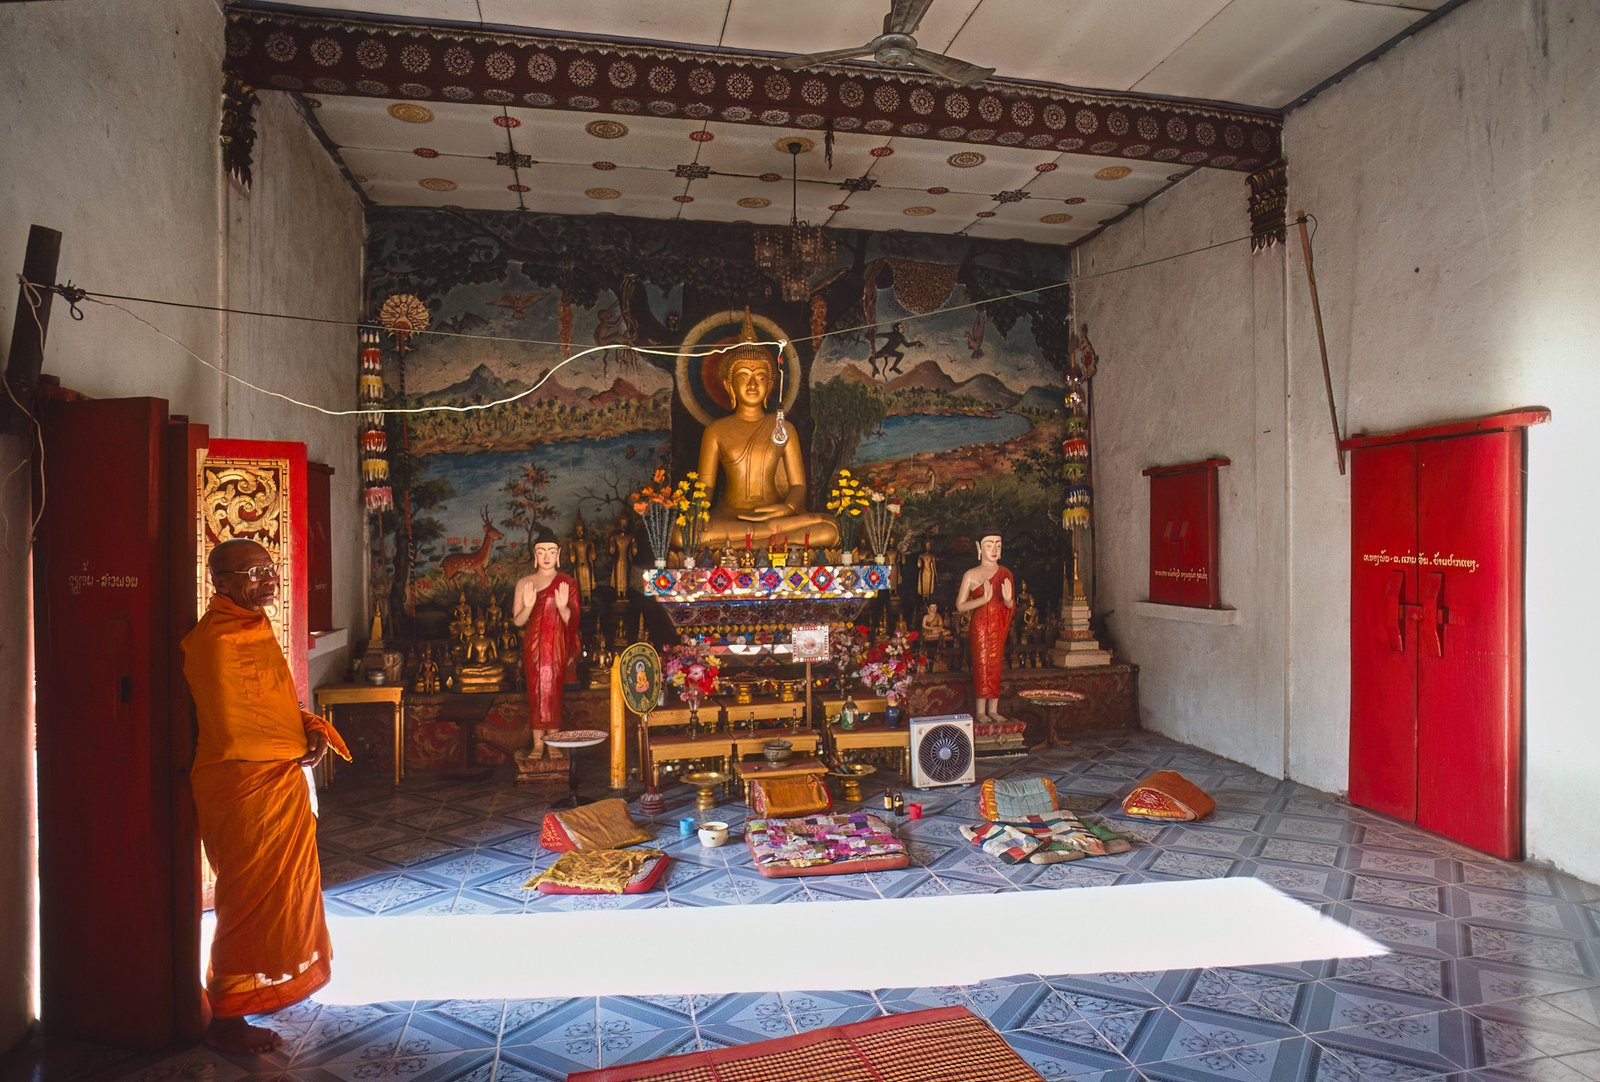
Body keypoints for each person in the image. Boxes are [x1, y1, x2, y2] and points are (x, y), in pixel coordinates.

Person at [181, 538, 350, 1055]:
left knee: (283, 895)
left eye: (269, 568)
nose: (268, 579)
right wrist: (297, 740)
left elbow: (274, 705)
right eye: (252, 573)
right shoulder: (214, 642)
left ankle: (256, 989)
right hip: (242, 785)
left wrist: (310, 727)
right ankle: (226, 1017)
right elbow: (237, 728)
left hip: (276, 780)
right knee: (246, 901)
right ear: (221, 583)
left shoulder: (256, 628)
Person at [695, 311, 837, 550]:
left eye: (760, 377)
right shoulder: (715, 431)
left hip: (777, 516)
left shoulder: (784, 428)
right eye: (743, 377)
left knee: (830, 529)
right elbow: (705, 487)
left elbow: (798, 486)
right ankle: (769, 538)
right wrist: (695, 515)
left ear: (770, 385)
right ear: (729, 386)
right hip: (730, 517)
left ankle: (750, 541)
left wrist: (788, 508)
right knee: (684, 535)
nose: (752, 384)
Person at [513, 526, 580, 758]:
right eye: (541, 552)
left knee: (552, 691)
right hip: (533, 645)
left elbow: (574, 621)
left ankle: (553, 742)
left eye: (551, 551)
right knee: (536, 692)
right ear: (535, 555)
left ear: (558, 554)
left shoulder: (567, 583)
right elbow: (518, 621)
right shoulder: (525, 583)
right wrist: (529, 606)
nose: (546, 557)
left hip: (557, 644)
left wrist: (562, 607)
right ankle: (537, 744)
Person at [954, 530, 1015, 724]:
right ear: (979, 548)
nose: (994, 549)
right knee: (982, 664)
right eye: (989, 545)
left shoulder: (1005, 573)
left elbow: (1010, 605)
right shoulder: (971, 575)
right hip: (980, 627)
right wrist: (983, 600)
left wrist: (1008, 600)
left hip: (998, 626)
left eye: (998, 545)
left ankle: (993, 710)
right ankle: (981, 711)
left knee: (996, 665)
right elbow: (960, 605)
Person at [568, 513, 597, 600]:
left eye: (581, 530)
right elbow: (572, 560)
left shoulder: (589, 542)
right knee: (580, 583)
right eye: (578, 530)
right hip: (578, 565)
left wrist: (592, 551)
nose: (580, 532)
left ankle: (589, 598)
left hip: (587, 565)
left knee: (588, 581)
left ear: (584, 530)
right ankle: (582, 599)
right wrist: (572, 553)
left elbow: (593, 557)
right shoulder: (572, 544)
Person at [608, 513, 636, 595]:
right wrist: (612, 545)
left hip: (626, 560)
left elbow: (634, 552)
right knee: (618, 576)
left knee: (625, 577)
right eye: (622, 523)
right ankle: (618, 594)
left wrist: (634, 546)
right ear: (619, 524)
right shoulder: (615, 537)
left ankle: (625, 593)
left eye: (625, 524)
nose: (623, 526)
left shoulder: (630, 537)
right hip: (618, 559)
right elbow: (612, 551)